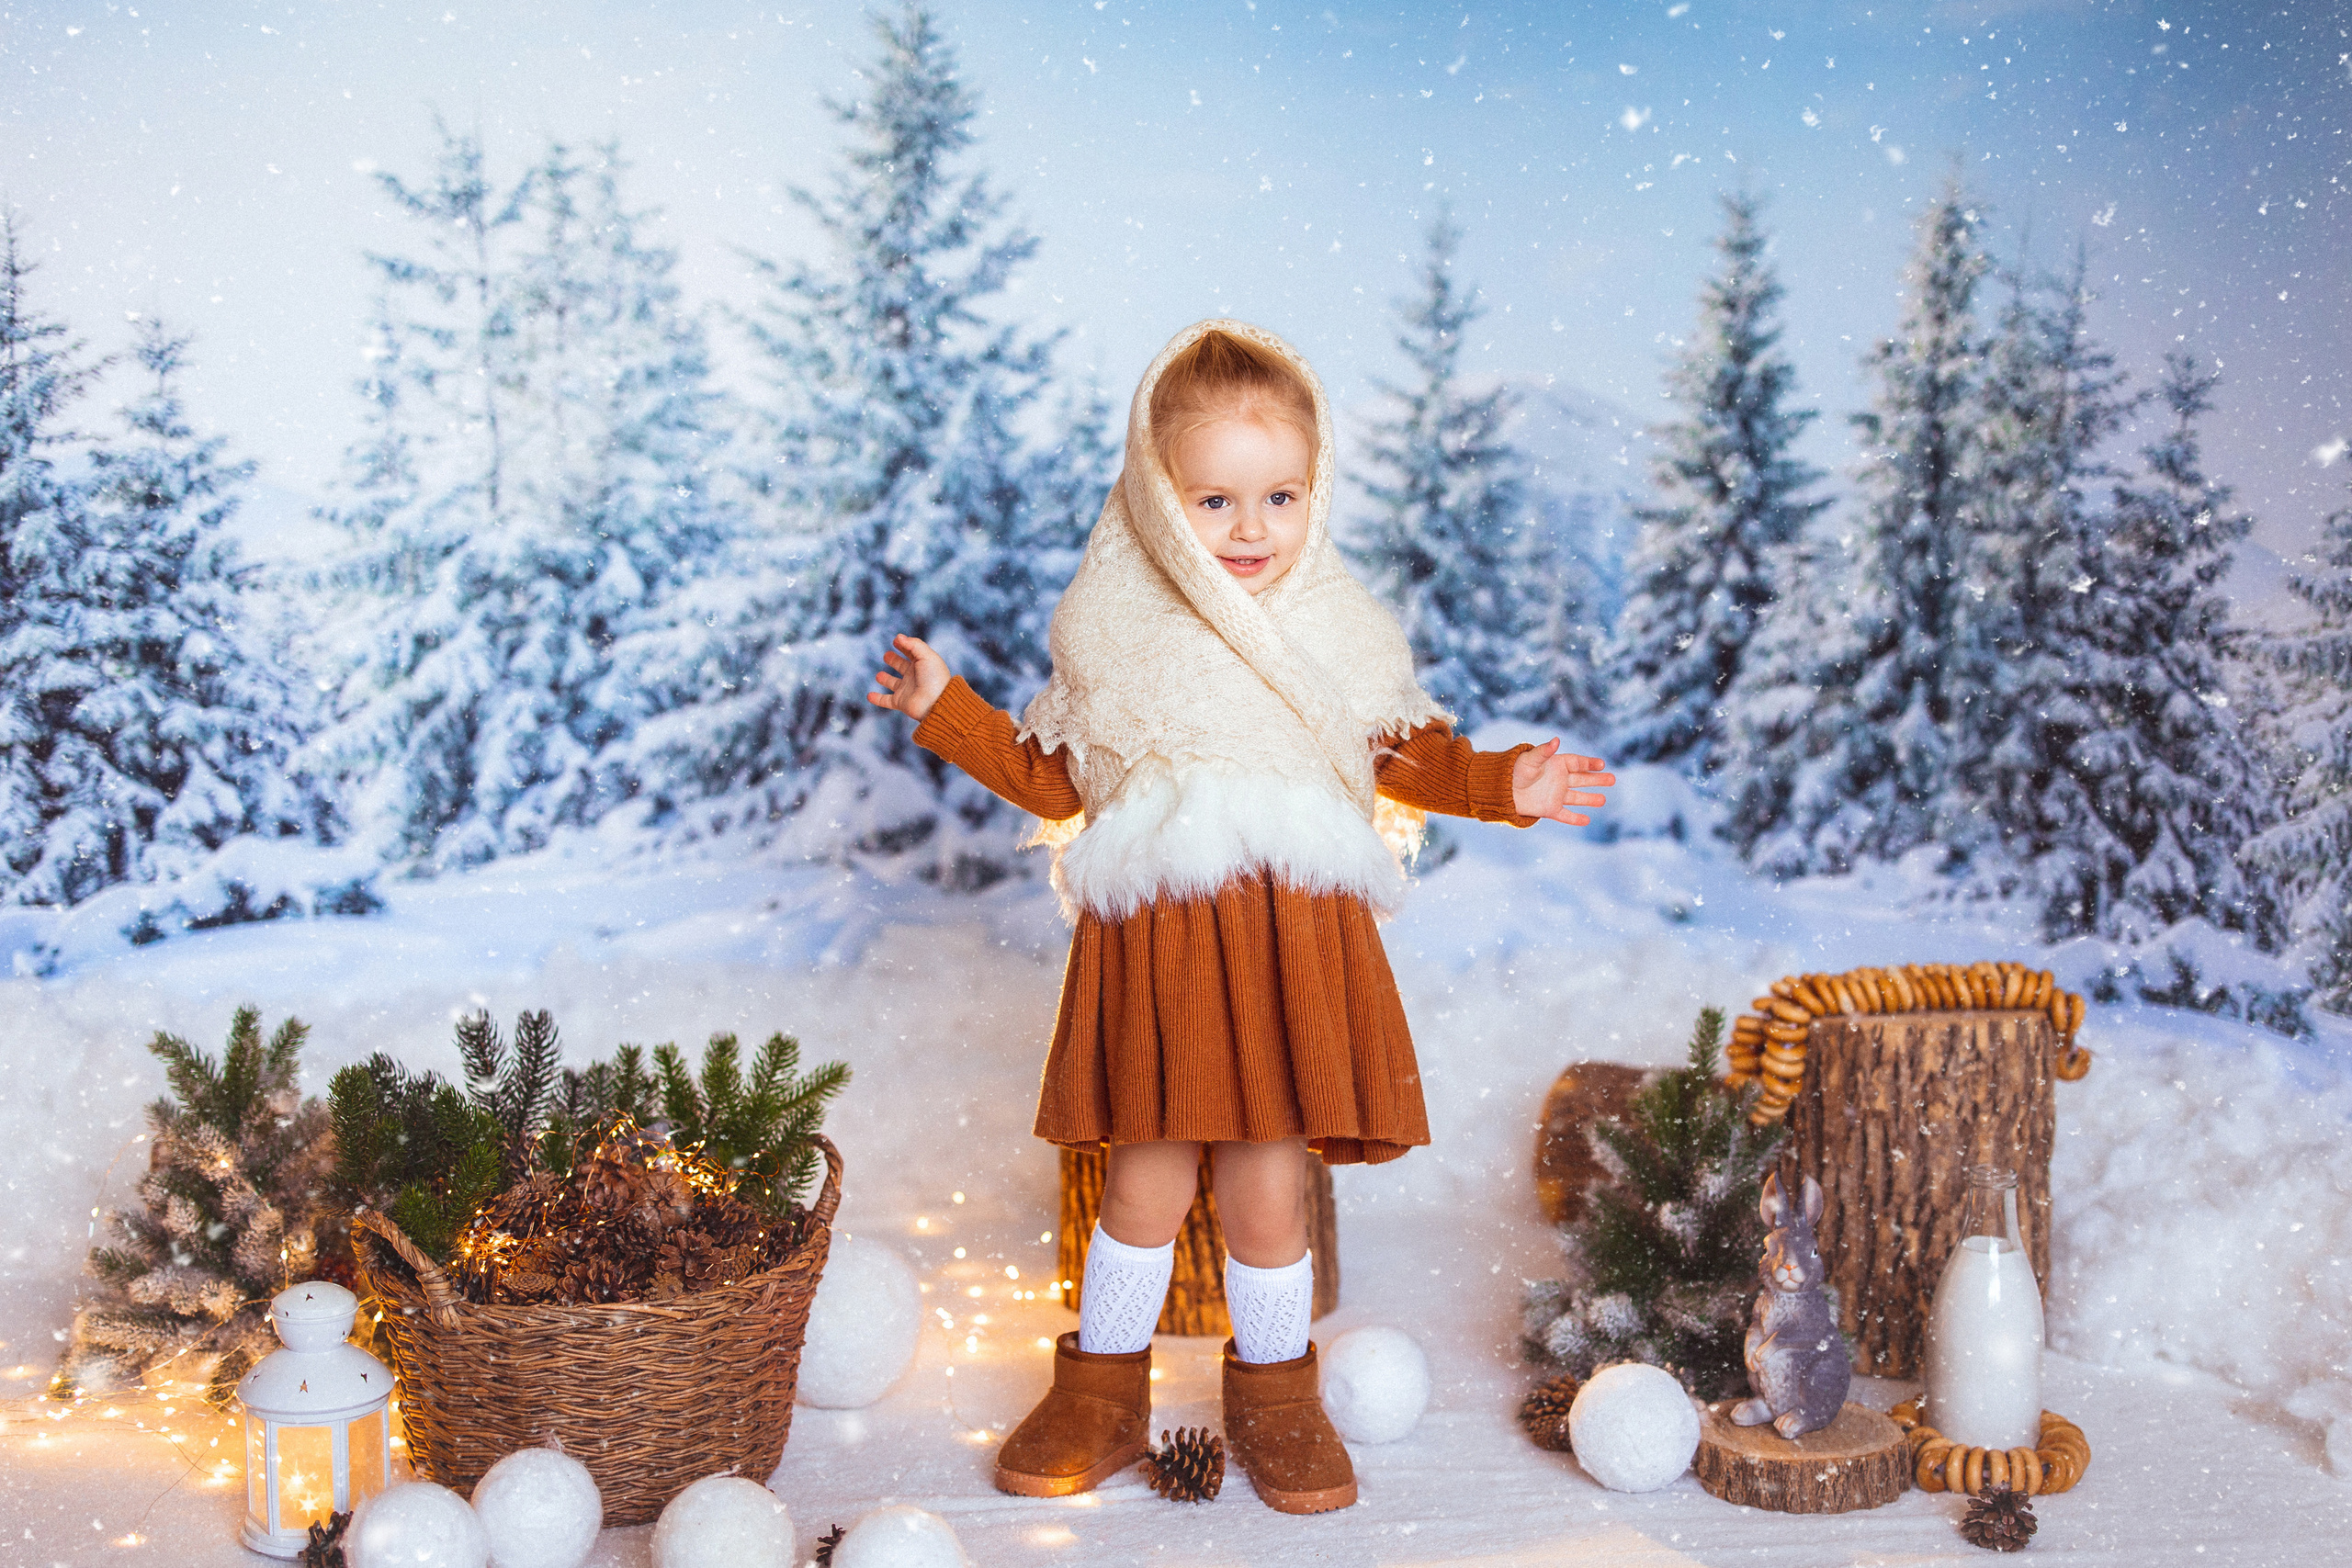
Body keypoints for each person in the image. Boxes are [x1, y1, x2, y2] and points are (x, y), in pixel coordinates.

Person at [866, 320, 1611, 1514]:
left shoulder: (1336, 628)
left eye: (1279, 496)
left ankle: (1276, 1396)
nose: (1252, 529)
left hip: (1285, 949)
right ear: (1161, 503)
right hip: (1163, 951)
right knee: (1144, 1190)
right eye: (1214, 501)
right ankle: (1103, 1391)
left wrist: (1499, 783)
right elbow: (1058, 780)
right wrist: (951, 709)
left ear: (1318, 492)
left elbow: (1401, 753)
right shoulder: (1122, 634)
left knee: (1268, 1195)